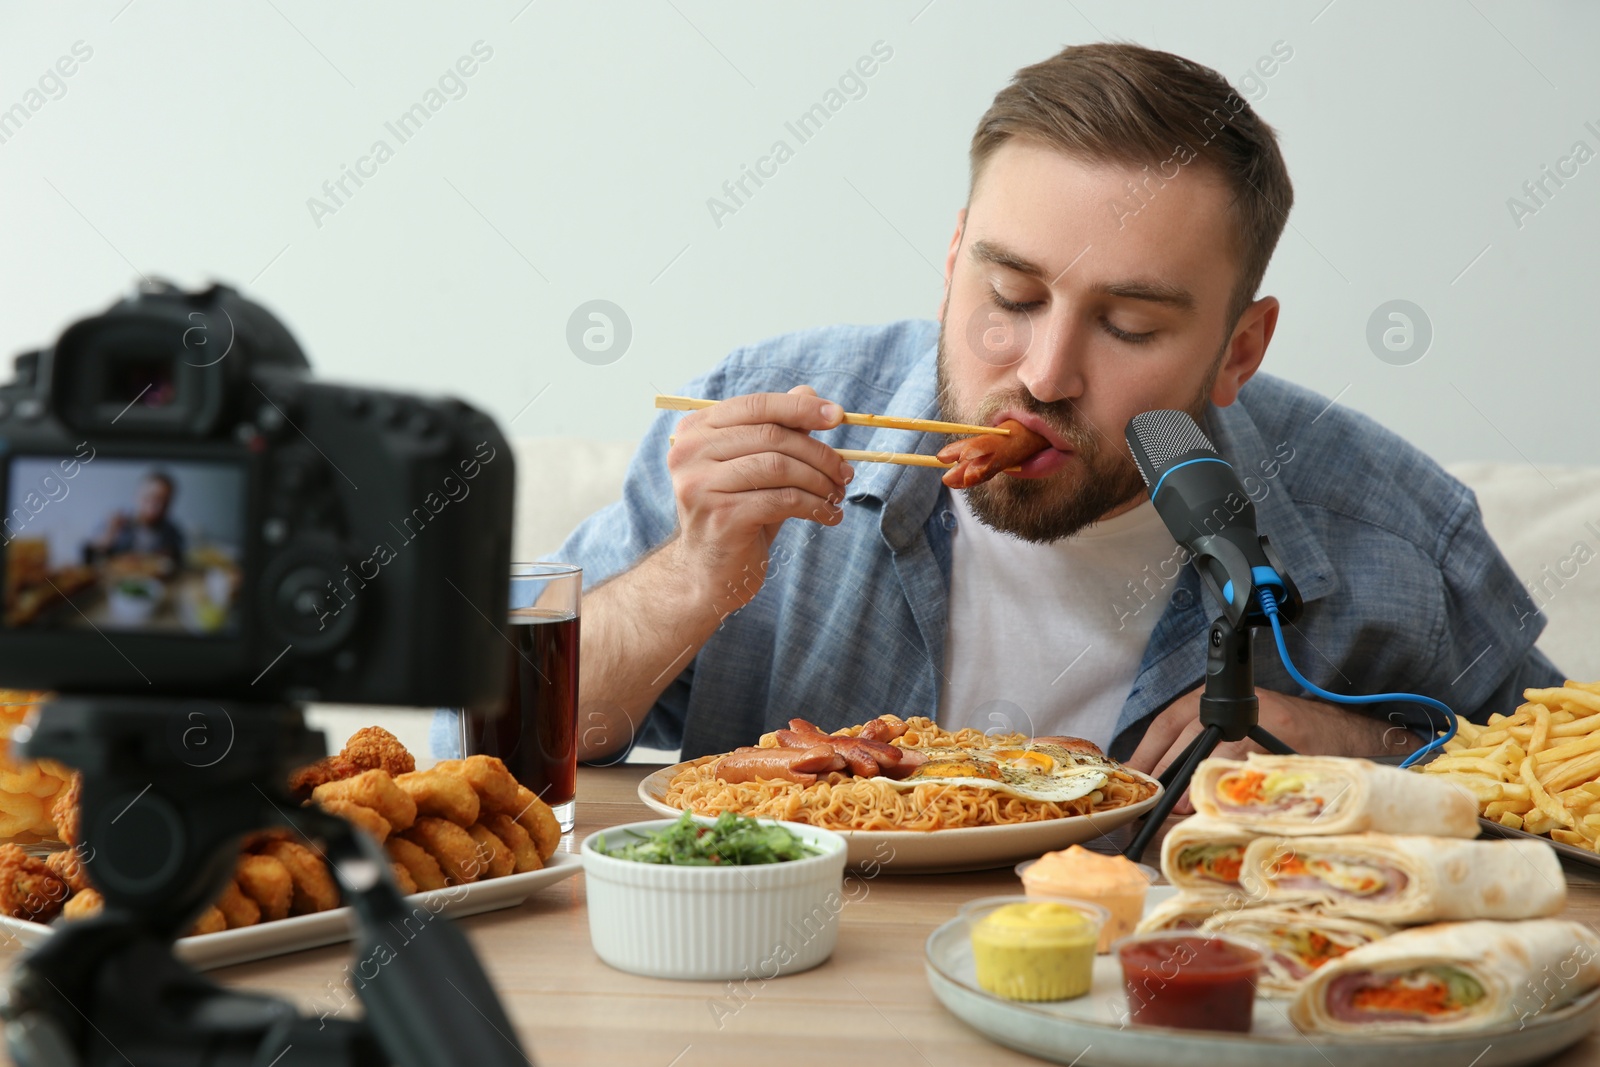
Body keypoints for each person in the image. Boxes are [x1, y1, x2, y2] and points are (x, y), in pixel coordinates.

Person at [559, 42, 1562, 779]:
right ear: (955, 262)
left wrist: (1363, 748)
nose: (1043, 373)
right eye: (1010, 296)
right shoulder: (772, 420)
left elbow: (1566, 787)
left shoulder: (1393, 532)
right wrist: (689, 582)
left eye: (1127, 324)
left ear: (1238, 349)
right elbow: (493, 746)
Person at [85, 470, 186, 573]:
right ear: (138, 496)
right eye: (151, 498)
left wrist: (171, 557)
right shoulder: (117, 522)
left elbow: (181, 561)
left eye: (164, 502)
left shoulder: (171, 532)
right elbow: (89, 555)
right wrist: (109, 534)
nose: (157, 508)